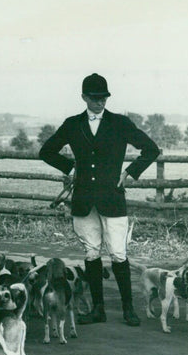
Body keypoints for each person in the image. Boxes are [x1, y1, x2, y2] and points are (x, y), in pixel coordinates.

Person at [39, 73, 160, 326]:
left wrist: (129, 173)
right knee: (91, 254)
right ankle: (98, 310)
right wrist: (71, 169)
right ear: (84, 97)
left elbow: (151, 149)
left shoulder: (120, 123)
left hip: (112, 199)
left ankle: (128, 309)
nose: (100, 102)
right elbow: (46, 151)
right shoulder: (73, 124)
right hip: (83, 201)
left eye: (103, 97)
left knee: (118, 253)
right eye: (94, 98)